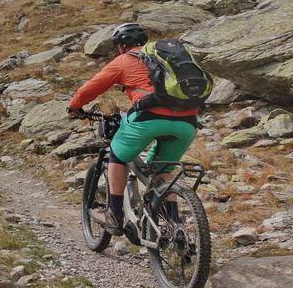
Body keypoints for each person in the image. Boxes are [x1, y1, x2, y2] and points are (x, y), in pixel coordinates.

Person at [66, 23, 199, 232]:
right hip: (187, 121)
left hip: (148, 117)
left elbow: (90, 89)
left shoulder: (124, 60)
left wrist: (74, 107)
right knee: (163, 169)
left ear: (120, 46)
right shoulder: (165, 58)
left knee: (117, 156)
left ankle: (115, 214)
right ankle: (175, 225)